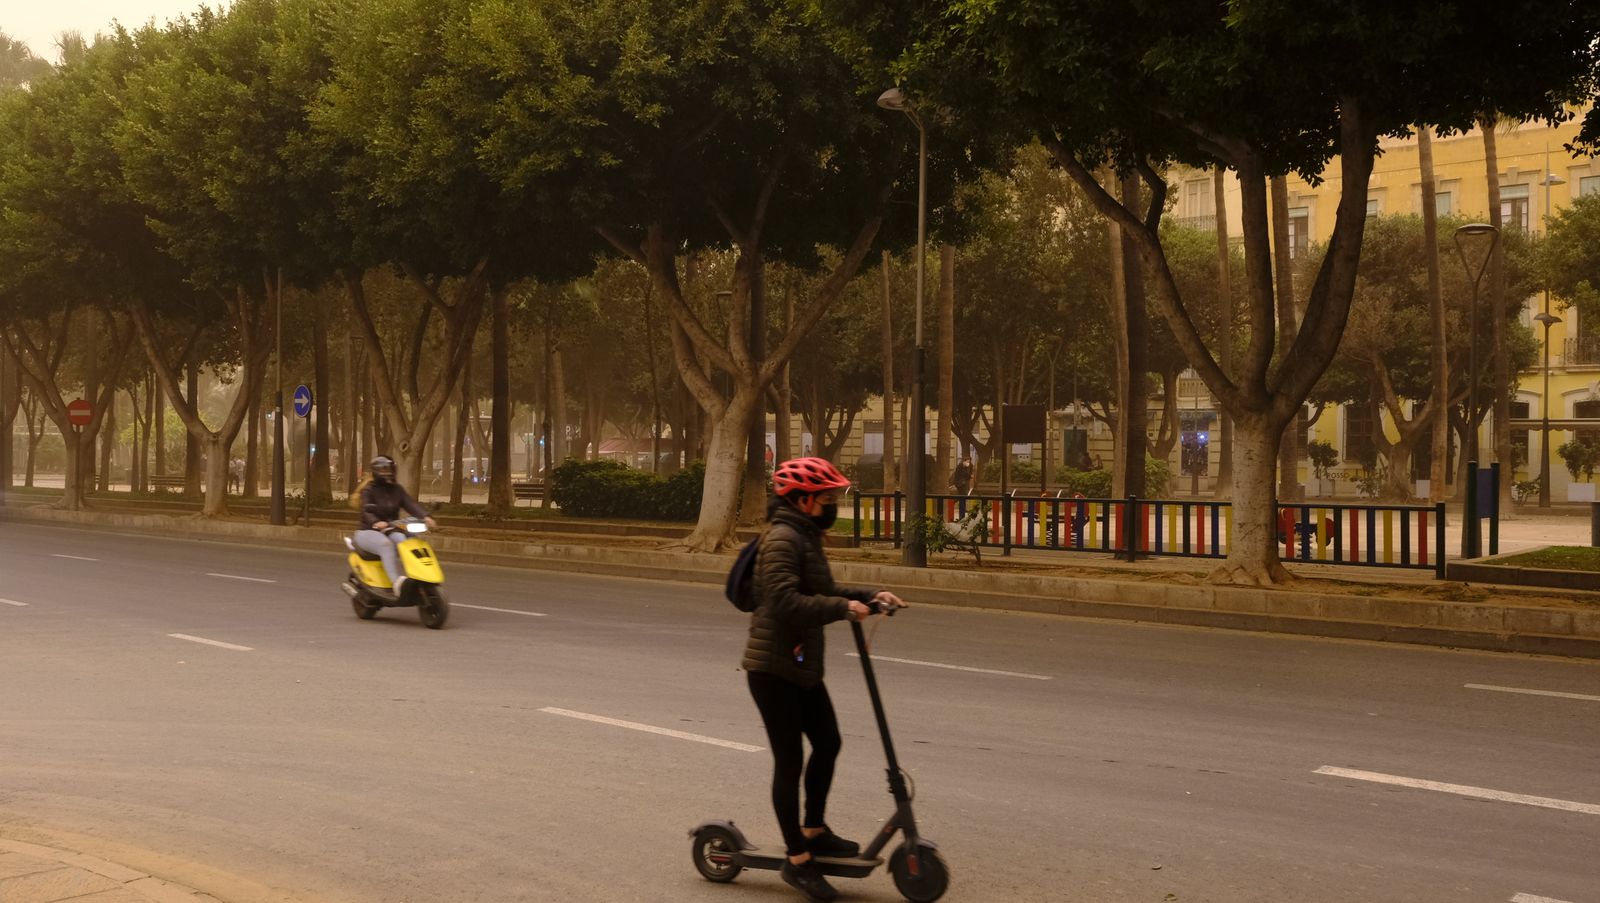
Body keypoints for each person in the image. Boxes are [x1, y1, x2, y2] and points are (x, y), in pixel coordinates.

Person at [743, 456, 906, 902]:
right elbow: (784, 601)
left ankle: (814, 830)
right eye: (827, 497)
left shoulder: (805, 535)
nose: (832, 504)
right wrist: (841, 608)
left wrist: (869, 595)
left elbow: (823, 591)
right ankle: (797, 860)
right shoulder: (782, 538)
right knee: (789, 762)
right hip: (773, 669)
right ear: (802, 499)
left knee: (829, 742)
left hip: (800, 666)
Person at [351, 455, 435, 594]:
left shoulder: (397, 490)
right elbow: (367, 510)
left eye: (389, 469)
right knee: (386, 545)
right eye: (383, 470)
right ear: (376, 471)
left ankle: (419, 577)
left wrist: (425, 517)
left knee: (406, 541)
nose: (387, 472)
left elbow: (410, 504)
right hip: (368, 531)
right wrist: (376, 521)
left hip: (390, 529)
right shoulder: (369, 490)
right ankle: (395, 583)